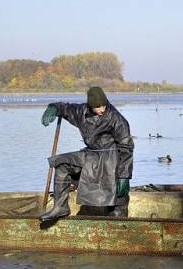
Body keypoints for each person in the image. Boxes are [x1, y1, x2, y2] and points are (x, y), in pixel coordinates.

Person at [40, 86, 134, 221]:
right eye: (97, 107)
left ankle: (119, 220)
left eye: (103, 106)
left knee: (117, 190)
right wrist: (53, 107)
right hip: (91, 154)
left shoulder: (117, 119)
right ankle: (60, 207)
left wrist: (124, 176)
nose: (101, 110)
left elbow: (127, 148)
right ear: (90, 106)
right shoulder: (81, 112)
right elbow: (65, 108)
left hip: (110, 159)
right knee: (62, 164)